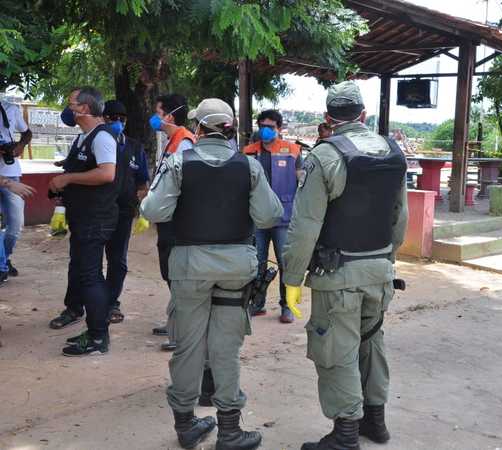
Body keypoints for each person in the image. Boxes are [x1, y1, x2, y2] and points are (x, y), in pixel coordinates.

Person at [141, 98, 282, 450]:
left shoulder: (178, 162)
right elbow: (268, 216)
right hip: (236, 267)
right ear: (230, 128)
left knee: (188, 346)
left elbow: (154, 209)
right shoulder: (248, 166)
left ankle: (187, 425)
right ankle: (231, 432)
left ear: (199, 128)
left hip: (189, 266)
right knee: (226, 348)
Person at [282, 81, 408, 450]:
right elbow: (400, 217)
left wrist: (292, 278)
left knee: (336, 350)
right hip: (380, 270)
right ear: (363, 115)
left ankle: (345, 434)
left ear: (328, 119)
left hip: (338, 276)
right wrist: (387, 258)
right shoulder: (391, 151)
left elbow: (305, 227)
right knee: (372, 343)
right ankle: (376, 422)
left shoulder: (324, 156)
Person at [48, 86, 120, 357]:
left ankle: (99, 338)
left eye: (71, 104)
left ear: (85, 109)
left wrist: (67, 179)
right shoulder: (84, 138)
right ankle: (94, 330)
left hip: (96, 219)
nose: (68, 109)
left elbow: (107, 174)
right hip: (83, 217)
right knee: (84, 273)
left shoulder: (102, 137)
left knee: (90, 276)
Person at [243, 109, 302, 323]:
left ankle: (288, 306)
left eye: (271, 127)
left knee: (286, 264)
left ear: (279, 128)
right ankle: (256, 304)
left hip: (284, 218)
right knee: (256, 262)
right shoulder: (248, 152)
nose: (266, 131)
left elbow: (302, 183)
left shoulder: (293, 151)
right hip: (257, 217)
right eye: (263, 126)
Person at [149, 93, 195, 351]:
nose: (155, 117)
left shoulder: (184, 142)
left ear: (169, 115)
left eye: (158, 111)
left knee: (177, 275)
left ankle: (182, 332)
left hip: (177, 220)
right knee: (170, 273)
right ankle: (176, 322)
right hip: (167, 218)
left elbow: (182, 184)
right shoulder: (171, 141)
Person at [101, 100, 150, 323]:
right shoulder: (94, 143)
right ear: (103, 119)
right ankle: (81, 303)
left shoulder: (134, 147)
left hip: (123, 212)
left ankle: (111, 302)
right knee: (87, 260)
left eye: (122, 119)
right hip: (96, 212)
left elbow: (142, 183)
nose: (118, 123)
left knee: (117, 260)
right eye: (113, 118)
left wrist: (144, 210)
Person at [0, 99, 33, 280]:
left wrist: (19, 146)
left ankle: (5, 257)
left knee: (15, 226)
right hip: (6, 181)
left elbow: (27, 132)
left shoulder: (10, 108)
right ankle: (1, 265)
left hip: (11, 174)